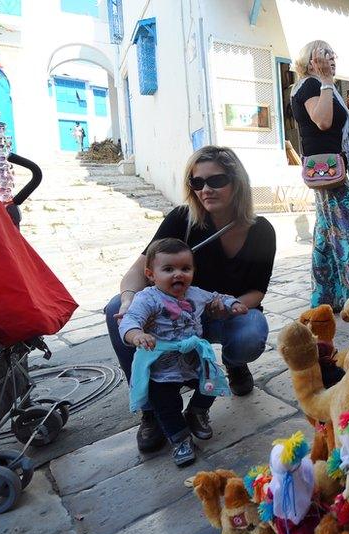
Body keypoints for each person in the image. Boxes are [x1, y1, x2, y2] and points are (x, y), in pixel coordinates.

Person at [105, 145, 276, 452]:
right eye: (197, 183)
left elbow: (257, 291)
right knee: (115, 309)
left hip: (221, 313)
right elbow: (137, 271)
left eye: (216, 181)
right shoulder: (182, 219)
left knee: (252, 329)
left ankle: (233, 363)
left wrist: (227, 307)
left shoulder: (261, 230)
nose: (205, 189)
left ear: (237, 182)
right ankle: (150, 409)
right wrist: (129, 299)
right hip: (174, 317)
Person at [119, 238, 246, 466]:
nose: (178, 274)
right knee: (165, 405)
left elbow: (217, 297)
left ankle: (196, 412)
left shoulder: (195, 294)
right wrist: (137, 335)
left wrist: (232, 304)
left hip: (193, 359)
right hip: (162, 365)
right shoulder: (147, 298)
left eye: (185, 269)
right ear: (151, 274)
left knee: (210, 385)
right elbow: (129, 321)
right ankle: (180, 439)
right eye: (168, 269)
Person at [292, 40, 349, 311]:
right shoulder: (312, 85)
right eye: (324, 54)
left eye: (332, 54)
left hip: (329, 171)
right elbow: (323, 121)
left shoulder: (318, 86)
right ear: (310, 60)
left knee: (327, 235)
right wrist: (326, 80)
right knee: (347, 233)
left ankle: (328, 296)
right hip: (329, 173)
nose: (331, 59)